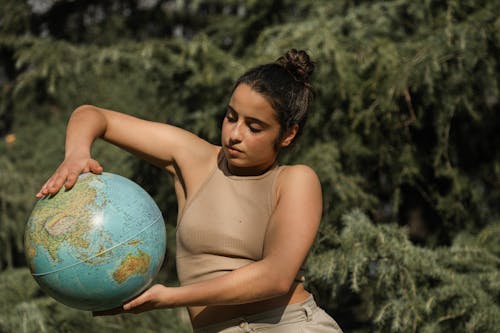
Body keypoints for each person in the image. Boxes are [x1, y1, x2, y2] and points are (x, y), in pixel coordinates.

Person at [36, 49, 343, 333]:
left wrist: (172, 297)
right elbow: (92, 115)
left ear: (288, 134)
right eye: (231, 117)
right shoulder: (194, 159)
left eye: (254, 127)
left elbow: (275, 278)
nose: (235, 134)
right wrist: (76, 154)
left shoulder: (296, 181)